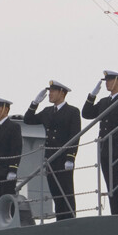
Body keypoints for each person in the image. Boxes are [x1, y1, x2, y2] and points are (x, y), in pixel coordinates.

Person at [23, 80, 81, 221]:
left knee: (66, 192)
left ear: (62, 93)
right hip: (50, 158)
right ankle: (60, 220)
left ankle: (70, 219)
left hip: (63, 158)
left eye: (53, 91)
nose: (50, 94)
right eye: (49, 91)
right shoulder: (47, 112)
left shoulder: (72, 111)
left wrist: (70, 158)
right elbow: (28, 119)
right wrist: (34, 103)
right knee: (55, 192)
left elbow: (75, 136)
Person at [84, 70, 118, 215]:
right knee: (110, 185)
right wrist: (92, 96)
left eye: (110, 80)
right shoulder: (104, 102)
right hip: (105, 149)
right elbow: (87, 114)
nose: (107, 83)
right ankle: (114, 214)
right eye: (106, 80)